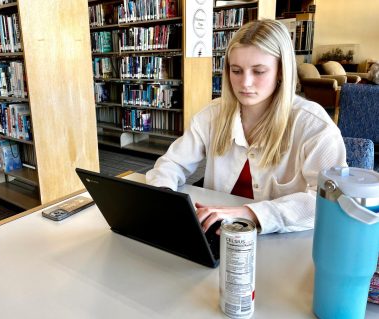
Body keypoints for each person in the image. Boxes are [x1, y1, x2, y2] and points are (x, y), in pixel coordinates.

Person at [146, 19, 347, 234]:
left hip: (286, 240)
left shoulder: (314, 126)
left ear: (281, 71)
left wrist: (251, 213)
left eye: (259, 71)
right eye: (236, 70)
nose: (245, 83)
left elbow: (330, 200)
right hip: (218, 232)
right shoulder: (212, 115)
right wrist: (164, 196)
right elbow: (172, 163)